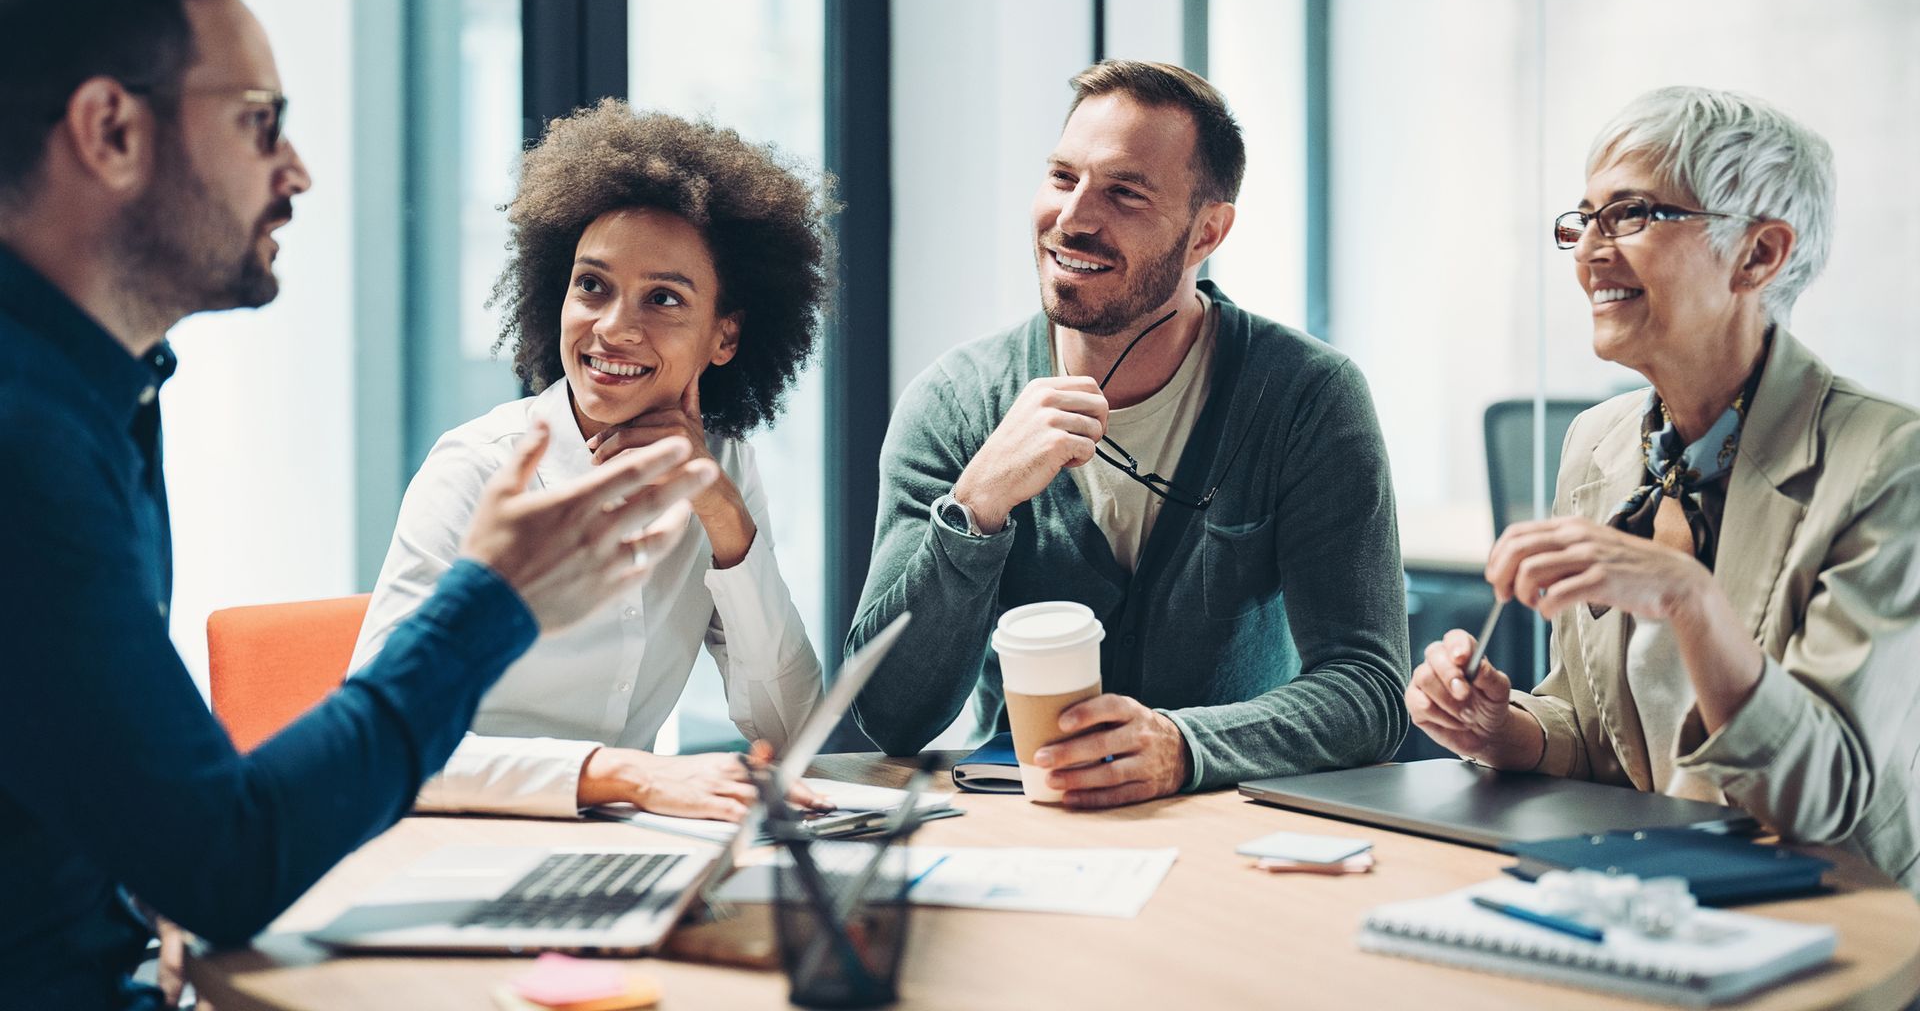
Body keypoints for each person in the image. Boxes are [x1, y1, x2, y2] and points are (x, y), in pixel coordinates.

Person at [0, 0, 718, 1010]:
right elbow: (221, 856)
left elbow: (149, 816)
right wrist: (494, 599)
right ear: (109, 130)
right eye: (259, 122)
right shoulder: (26, 437)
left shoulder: (107, 390)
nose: (296, 170)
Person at [847, 60, 1410, 808]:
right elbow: (892, 717)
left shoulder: (1306, 397)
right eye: (1061, 177)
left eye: (1124, 192)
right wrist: (976, 507)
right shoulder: (956, 402)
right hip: (1020, 821)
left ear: (1208, 230)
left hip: (1227, 832)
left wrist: (1184, 748)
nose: (1073, 217)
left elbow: (1369, 691)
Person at [1407, 86, 1920, 890]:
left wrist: (1692, 600)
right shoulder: (1600, 442)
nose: (1589, 251)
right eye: (1584, 220)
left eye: (1632, 216)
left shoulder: (1891, 462)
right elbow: (1596, 730)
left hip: (1837, 912)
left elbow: (1822, 800)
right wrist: (1506, 729)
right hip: (1648, 891)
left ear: (1758, 255)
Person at [351, 101, 832, 822]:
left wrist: (725, 519)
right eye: (593, 286)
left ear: (724, 336)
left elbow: (792, 733)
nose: (613, 328)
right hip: (458, 844)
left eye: (663, 298)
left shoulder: (724, 467)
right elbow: (381, 748)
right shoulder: (475, 469)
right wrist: (624, 776)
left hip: (615, 851)